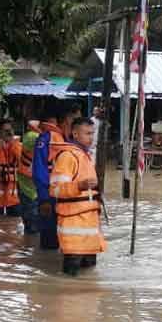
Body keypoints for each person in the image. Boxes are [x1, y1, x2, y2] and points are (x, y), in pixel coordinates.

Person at [49, 117, 106, 276]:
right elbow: (55, 190)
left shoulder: (85, 156)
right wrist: (78, 186)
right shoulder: (68, 157)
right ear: (75, 134)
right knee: (70, 276)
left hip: (89, 230)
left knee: (89, 276)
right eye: (87, 133)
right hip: (73, 231)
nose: (91, 137)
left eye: (92, 133)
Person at [33, 103, 81, 249]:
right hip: (50, 200)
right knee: (49, 244)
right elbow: (39, 170)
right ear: (67, 119)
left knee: (66, 241)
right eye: (76, 119)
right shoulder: (47, 139)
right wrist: (44, 199)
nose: (79, 123)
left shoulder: (70, 140)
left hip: (68, 200)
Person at [17, 119, 41, 234]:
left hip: (27, 185)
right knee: (33, 225)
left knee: (30, 224)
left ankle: (28, 245)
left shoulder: (28, 136)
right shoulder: (34, 137)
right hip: (31, 188)